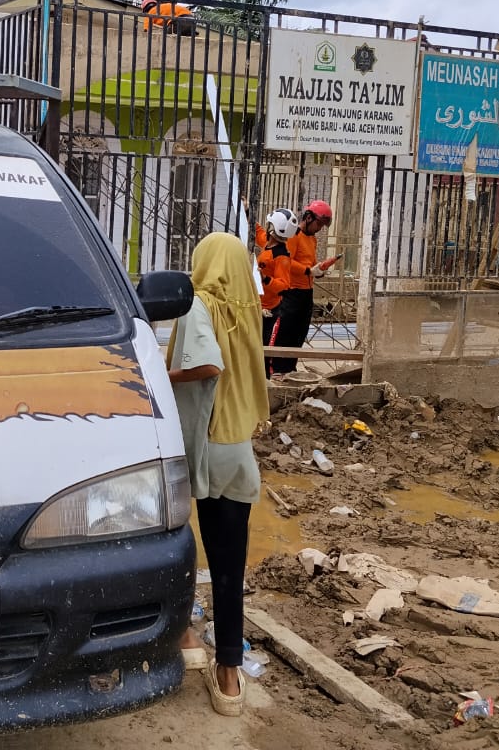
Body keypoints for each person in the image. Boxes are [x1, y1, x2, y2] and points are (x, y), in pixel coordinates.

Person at [166, 231, 268, 716]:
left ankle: (184, 637)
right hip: (239, 447)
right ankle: (229, 676)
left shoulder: (198, 304)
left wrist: (161, 375)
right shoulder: (248, 308)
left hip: (204, 445)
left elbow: (207, 365)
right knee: (229, 563)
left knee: (176, 538)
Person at [271, 199, 332, 376]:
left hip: (306, 293)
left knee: (299, 332)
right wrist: (307, 270)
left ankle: (290, 367)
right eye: (319, 224)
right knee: (285, 332)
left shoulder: (312, 239)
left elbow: (310, 263)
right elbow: (286, 261)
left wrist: (318, 270)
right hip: (291, 292)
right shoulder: (294, 236)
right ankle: (277, 368)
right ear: (308, 217)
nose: (319, 228)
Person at [257, 208, 298, 372]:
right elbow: (258, 233)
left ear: (273, 229)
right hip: (258, 304)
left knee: (264, 348)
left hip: (269, 310)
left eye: (269, 224)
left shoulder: (281, 256)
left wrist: (265, 279)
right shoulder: (268, 243)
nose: (267, 226)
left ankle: (265, 377)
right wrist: (246, 211)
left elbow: (283, 285)